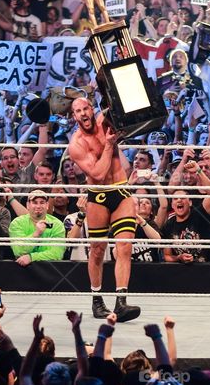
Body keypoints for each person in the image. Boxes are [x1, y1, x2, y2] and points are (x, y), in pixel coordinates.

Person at [67, 97, 141, 322]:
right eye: (78, 111)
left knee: (125, 246)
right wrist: (109, 145)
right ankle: (97, 300)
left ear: (92, 109)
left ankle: (121, 302)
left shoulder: (106, 122)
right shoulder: (76, 144)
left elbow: (123, 104)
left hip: (120, 189)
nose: (83, 113)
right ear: (74, 116)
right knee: (97, 249)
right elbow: (98, 174)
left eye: (86, 108)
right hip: (98, 195)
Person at [8, 189, 67, 265]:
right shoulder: (17, 223)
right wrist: (36, 234)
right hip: (23, 270)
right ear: (28, 205)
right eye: (35, 202)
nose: (38, 206)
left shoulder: (57, 224)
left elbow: (57, 253)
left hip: (51, 270)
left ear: (47, 205)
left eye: (42, 202)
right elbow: (18, 250)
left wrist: (31, 257)